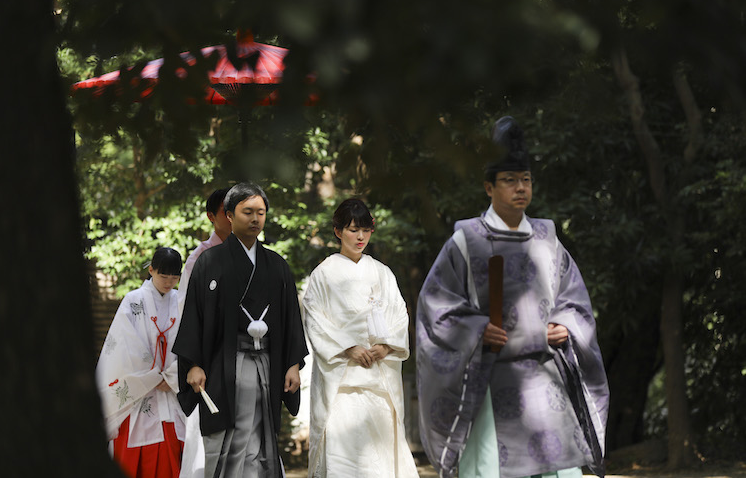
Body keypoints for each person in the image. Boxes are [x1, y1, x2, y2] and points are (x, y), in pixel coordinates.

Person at [416, 116, 609, 478]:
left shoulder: (547, 239)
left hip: (545, 376)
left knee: (561, 468)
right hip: (491, 378)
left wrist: (564, 325)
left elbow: (574, 300)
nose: (520, 188)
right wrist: (475, 328)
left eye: (526, 180)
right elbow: (435, 308)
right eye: (509, 181)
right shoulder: (466, 240)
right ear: (489, 188)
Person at [172, 181, 309, 478]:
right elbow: (193, 316)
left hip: (267, 365)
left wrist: (292, 364)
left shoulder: (276, 265)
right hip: (223, 366)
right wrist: (193, 365)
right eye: (247, 212)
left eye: (261, 212)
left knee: (260, 440)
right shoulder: (209, 262)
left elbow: (290, 320)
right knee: (225, 440)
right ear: (230, 215)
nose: (255, 219)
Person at [302, 198, 419, 478]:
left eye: (365, 229)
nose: (360, 236)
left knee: (380, 459)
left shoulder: (382, 273)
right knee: (343, 458)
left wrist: (386, 345)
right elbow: (315, 318)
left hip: (378, 380)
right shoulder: (324, 274)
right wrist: (348, 347)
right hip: (342, 381)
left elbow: (399, 316)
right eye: (353, 230)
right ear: (338, 231)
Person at [96, 247, 186, 478]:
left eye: (174, 277)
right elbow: (125, 345)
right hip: (140, 390)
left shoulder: (182, 301)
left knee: (178, 448)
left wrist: (173, 376)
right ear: (151, 270)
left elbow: (190, 343)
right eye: (163, 276)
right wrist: (152, 378)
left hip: (172, 389)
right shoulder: (133, 300)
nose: (169, 282)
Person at [178, 188, 231, 478]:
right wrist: (193, 363)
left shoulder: (253, 255)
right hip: (210, 363)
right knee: (208, 443)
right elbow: (186, 315)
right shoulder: (199, 258)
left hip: (247, 358)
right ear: (212, 216)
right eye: (226, 210)